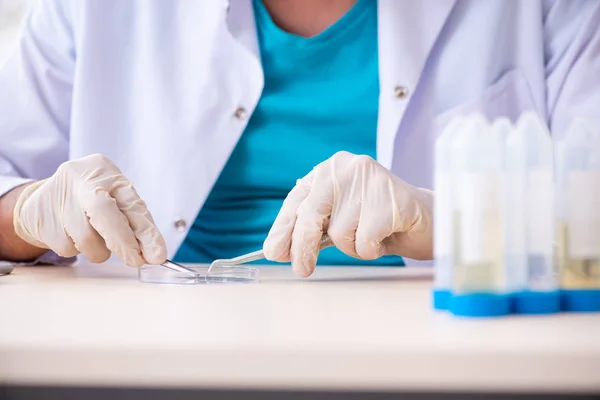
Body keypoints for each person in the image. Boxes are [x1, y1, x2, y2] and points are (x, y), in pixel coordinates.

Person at [0, 0, 598, 278]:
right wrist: (26, 213)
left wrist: (447, 220)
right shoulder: (90, 9)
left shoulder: (549, 9)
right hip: (155, 355)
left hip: (444, 354)